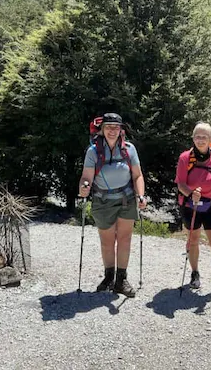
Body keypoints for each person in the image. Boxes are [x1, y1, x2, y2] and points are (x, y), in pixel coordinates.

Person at [79, 113, 146, 297]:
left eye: (115, 127)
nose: (112, 131)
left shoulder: (129, 149)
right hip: (103, 201)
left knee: (124, 240)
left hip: (126, 199)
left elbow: (138, 175)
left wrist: (141, 195)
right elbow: (86, 177)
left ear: (121, 130)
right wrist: (84, 188)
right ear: (102, 129)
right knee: (107, 242)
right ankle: (109, 276)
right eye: (108, 127)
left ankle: (121, 280)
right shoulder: (93, 151)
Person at [175, 122, 211, 297]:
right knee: (193, 239)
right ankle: (194, 273)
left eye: (204, 137)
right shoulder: (186, 158)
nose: (200, 140)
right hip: (190, 204)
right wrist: (191, 193)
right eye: (197, 137)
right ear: (193, 138)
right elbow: (180, 184)